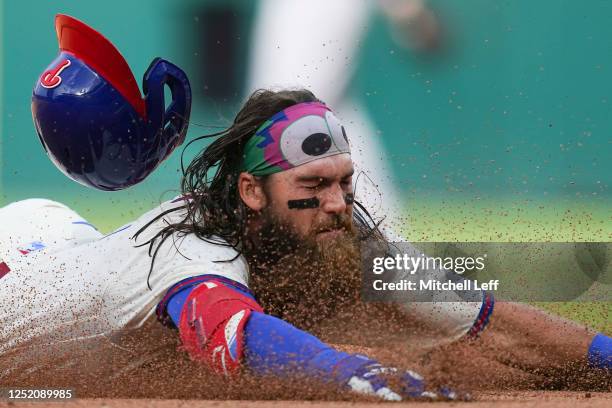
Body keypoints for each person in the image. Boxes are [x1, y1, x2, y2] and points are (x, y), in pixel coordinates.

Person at [0, 89, 609, 400]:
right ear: (252, 192)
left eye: (344, 182)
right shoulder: (194, 250)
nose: (338, 203)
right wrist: (357, 374)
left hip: (69, 243)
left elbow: (490, 320)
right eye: (313, 186)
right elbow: (236, 337)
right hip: (18, 274)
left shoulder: (345, 234)